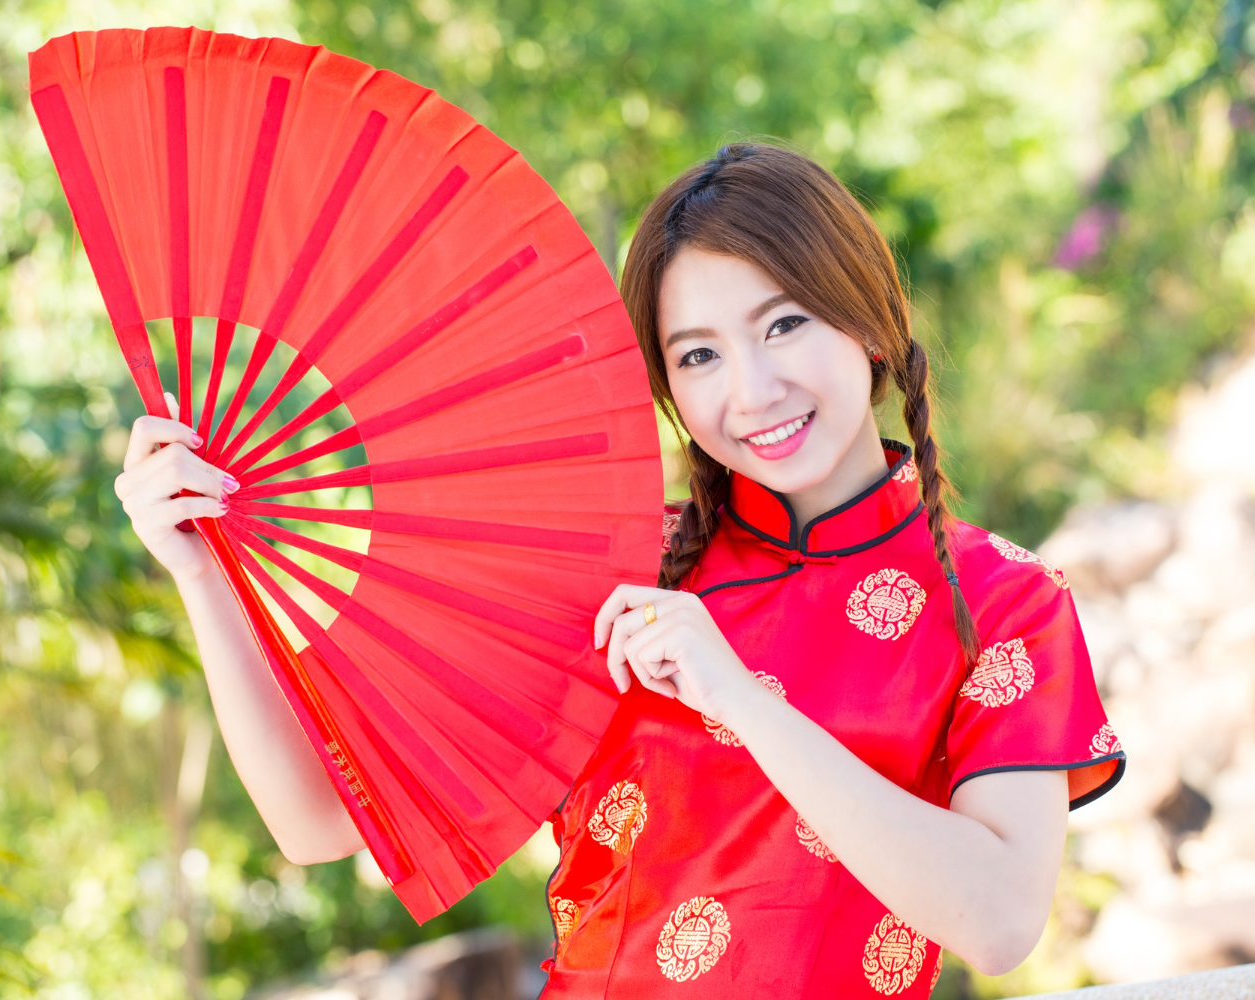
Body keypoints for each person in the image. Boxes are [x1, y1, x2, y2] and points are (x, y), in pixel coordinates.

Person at [113, 138, 1125, 997]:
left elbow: (997, 922)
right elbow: (319, 821)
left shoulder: (1003, 602)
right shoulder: (610, 571)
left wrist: (738, 695)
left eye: (783, 324)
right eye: (698, 356)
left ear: (864, 318)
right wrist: (202, 573)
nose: (754, 388)